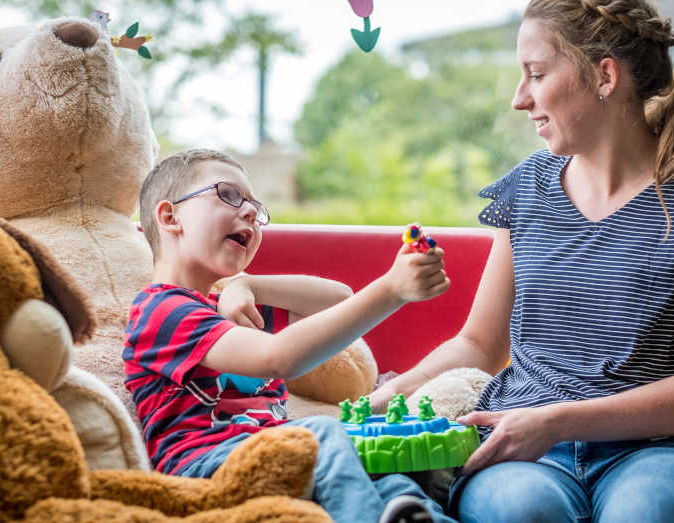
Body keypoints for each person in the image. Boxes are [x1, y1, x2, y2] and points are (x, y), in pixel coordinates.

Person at [369, 0, 674, 523]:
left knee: (648, 512)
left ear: (604, 75)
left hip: (663, 450)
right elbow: (476, 344)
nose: (520, 99)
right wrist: (368, 407)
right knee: (522, 511)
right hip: (526, 450)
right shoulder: (527, 188)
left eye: (536, 74)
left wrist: (559, 420)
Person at [124, 148, 454, 523]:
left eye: (257, 208)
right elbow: (280, 357)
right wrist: (391, 290)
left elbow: (337, 299)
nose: (250, 212)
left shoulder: (230, 306)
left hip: (275, 456)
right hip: (202, 469)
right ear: (170, 217)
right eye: (229, 195)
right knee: (321, 436)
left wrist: (248, 283)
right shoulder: (161, 311)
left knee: (392, 483)